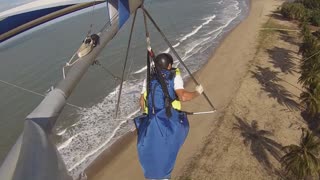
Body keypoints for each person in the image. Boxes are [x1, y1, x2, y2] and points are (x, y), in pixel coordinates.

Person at [134, 53, 203, 180]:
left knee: (151, 154)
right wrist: (197, 92)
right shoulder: (173, 77)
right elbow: (182, 96)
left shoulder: (148, 78)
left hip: (150, 123)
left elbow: (142, 102)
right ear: (169, 65)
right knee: (165, 154)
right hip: (167, 122)